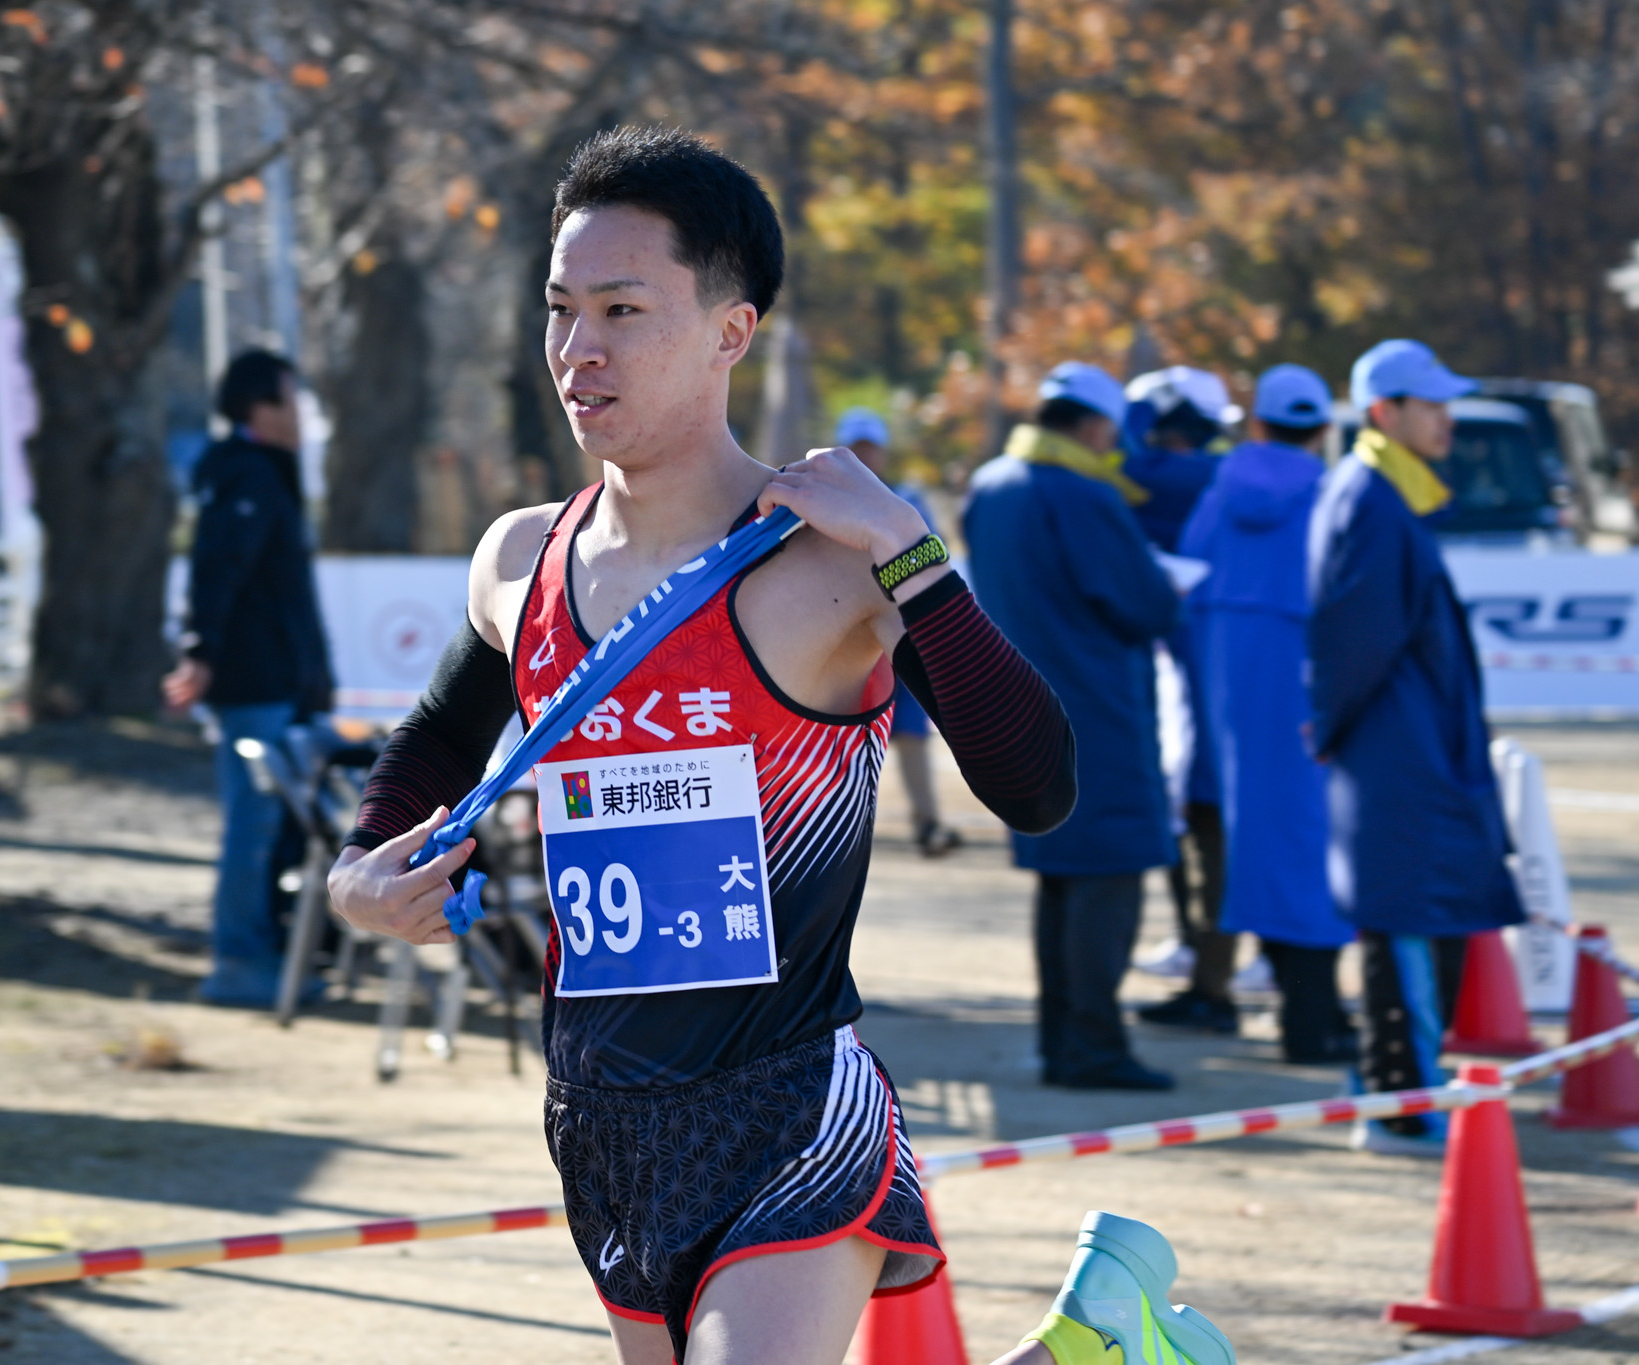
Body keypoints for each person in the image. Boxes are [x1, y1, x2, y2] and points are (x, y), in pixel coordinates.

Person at [327, 126, 1111, 1365]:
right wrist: (358, 877)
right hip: (598, 1112)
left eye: (623, 310)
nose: (579, 350)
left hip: (790, 1100)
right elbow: (431, 751)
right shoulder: (519, 561)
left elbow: (1039, 788)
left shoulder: (829, 567)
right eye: (560, 308)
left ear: (729, 332)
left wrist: (912, 557)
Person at [1308, 339, 1526, 1154]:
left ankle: (1394, 1089)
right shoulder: (1369, 497)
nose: (1446, 418)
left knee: (1421, 919)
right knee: (1405, 923)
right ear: (1382, 413)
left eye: (1445, 402)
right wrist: (1329, 728)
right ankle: (1401, 1108)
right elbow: (1351, 641)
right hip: (1398, 756)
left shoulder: (1383, 493)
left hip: (1411, 748)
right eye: (1427, 404)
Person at [964, 363, 1183, 1092]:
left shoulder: (993, 484)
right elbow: (1145, 603)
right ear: (1095, 429)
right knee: (1109, 876)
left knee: (1060, 877)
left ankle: (1063, 1038)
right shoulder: (1084, 493)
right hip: (1098, 711)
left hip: (1017, 710)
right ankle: (1091, 1045)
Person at [1177, 364, 1357, 1065]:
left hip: (1227, 696)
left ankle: (1307, 1009)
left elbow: (1187, 587)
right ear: (1323, 427)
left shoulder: (1219, 494)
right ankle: (1313, 1021)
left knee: (1258, 844)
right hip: (1307, 688)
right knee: (1309, 843)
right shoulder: (1331, 495)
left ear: (1257, 423)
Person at [163, 349, 333, 1008]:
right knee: (254, 822)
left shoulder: (260, 472)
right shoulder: (247, 476)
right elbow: (217, 568)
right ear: (259, 409)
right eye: (291, 400)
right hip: (255, 685)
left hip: (277, 683)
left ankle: (270, 953)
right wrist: (200, 651)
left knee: (274, 821)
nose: (300, 415)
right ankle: (238, 961)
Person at [1120, 367, 1240, 1036]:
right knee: (1210, 831)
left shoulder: (1137, 476)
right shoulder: (1225, 477)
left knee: (1196, 831)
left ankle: (1210, 976)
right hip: (1216, 680)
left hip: (1172, 687)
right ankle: (1211, 969)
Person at [835, 406, 962, 857]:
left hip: (900, 629)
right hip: (846, 638)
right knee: (843, 734)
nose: (865, 456)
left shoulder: (906, 501)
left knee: (910, 732)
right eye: (857, 447)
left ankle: (928, 824)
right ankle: (837, 832)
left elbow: (932, 560)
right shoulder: (822, 498)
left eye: (871, 447)